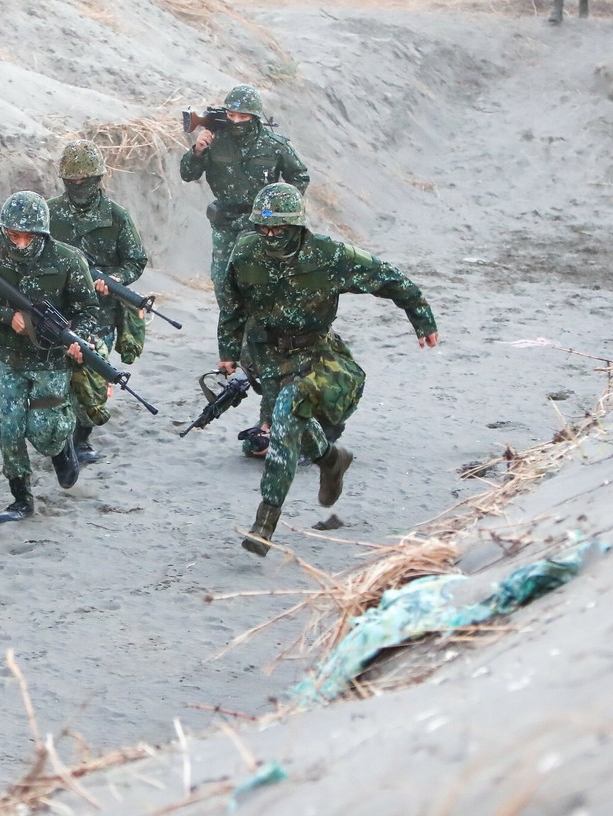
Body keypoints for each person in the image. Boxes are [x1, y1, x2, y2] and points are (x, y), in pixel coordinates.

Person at [216, 183, 439, 557]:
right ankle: (332, 460)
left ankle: (264, 523)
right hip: (266, 355)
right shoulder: (245, 253)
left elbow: (388, 277)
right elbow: (233, 305)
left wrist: (422, 319)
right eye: (264, 229)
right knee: (298, 426)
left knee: (284, 424)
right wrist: (228, 350)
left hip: (314, 353)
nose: (270, 236)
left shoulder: (328, 255)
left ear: (297, 227)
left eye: (279, 230)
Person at [180, 83, 310, 456]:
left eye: (243, 116)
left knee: (262, 291)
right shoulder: (214, 139)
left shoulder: (274, 145)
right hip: (226, 226)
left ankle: (258, 343)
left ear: (254, 117)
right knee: (224, 287)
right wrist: (198, 148)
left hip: (260, 228)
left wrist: (282, 209)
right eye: (231, 115)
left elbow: (299, 176)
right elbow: (188, 174)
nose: (236, 121)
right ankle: (233, 346)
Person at [0, 190, 100, 522]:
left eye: (28, 237)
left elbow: (90, 311)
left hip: (51, 360)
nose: (20, 244)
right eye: (13, 235)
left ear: (43, 233)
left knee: (46, 431)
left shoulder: (67, 259)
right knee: (7, 426)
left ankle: (62, 448)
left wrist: (79, 339)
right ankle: (21, 497)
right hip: (8, 357)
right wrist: (8, 317)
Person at [47, 139, 149, 465]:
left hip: (100, 313)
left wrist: (114, 279)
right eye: (70, 181)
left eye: (83, 181)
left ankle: (82, 437)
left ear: (97, 179)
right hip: (58, 309)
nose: (76, 186)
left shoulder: (116, 217)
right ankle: (59, 434)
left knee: (93, 377)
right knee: (56, 376)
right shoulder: (49, 213)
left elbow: (135, 260)